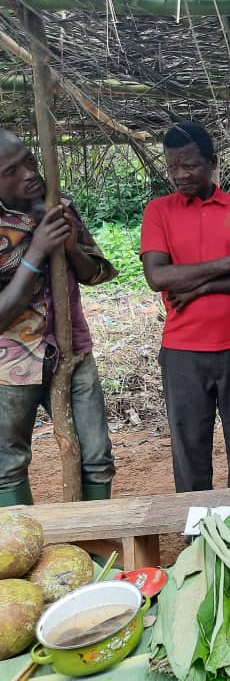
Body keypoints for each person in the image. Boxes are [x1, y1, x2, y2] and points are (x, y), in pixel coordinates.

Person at [141, 123, 230, 493]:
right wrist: (229, 263)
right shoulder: (158, 211)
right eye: (173, 167)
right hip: (182, 351)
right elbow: (158, 277)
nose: (181, 175)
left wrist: (200, 287)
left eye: (190, 165)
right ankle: (197, 535)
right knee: (189, 448)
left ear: (213, 163)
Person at [0, 129, 116, 505]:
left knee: (96, 458)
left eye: (29, 160)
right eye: (11, 170)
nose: (29, 173)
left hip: (73, 352)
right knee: (8, 465)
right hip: (11, 363)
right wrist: (36, 253)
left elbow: (95, 273)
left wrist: (70, 248)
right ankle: (18, 554)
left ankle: (94, 552)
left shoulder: (58, 204)